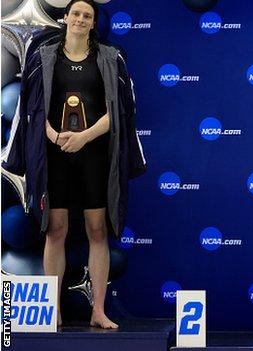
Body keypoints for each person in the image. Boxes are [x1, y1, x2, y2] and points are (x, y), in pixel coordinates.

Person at [3, 0, 146, 328]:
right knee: (56, 230)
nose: (81, 19)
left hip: (95, 157)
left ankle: (98, 310)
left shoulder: (111, 58)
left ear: (93, 23)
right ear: (65, 18)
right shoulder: (44, 57)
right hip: (54, 157)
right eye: (76, 14)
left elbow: (121, 111)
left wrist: (85, 137)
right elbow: (31, 108)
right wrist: (53, 136)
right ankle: (52, 310)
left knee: (98, 231)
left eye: (87, 15)